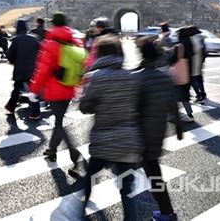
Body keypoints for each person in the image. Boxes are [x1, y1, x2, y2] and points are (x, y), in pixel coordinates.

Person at [79, 35, 142, 221]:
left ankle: (81, 213)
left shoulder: (96, 78)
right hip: (129, 141)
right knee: (126, 189)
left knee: (90, 178)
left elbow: (85, 107)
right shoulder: (132, 77)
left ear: (99, 54)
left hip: (104, 140)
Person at [29, 12, 82, 175]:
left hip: (55, 89)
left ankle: (76, 155)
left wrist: (33, 89)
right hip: (69, 87)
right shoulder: (73, 41)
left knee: (59, 124)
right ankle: (52, 150)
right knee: (59, 119)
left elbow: (43, 69)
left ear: (53, 24)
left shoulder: (50, 43)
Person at [136, 38, 182, 221]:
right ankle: (166, 211)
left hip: (139, 133)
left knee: (152, 173)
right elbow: (173, 105)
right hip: (157, 131)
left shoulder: (137, 77)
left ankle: (168, 213)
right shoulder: (164, 78)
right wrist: (178, 126)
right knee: (151, 168)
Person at [5, 20, 40, 120]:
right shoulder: (34, 39)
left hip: (20, 69)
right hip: (32, 69)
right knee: (33, 90)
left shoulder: (16, 40)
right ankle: (35, 112)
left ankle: (11, 107)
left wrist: (12, 61)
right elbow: (39, 52)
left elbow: (10, 55)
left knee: (16, 89)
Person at [172, 26, 195, 122]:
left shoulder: (180, 46)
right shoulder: (190, 44)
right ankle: (189, 114)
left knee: (173, 94)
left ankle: (174, 114)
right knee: (185, 96)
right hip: (188, 73)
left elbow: (173, 59)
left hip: (179, 74)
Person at [189, 26, 207, 104]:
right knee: (198, 78)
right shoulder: (200, 38)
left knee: (194, 79)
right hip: (199, 61)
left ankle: (201, 94)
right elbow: (204, 51)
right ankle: (202, 93)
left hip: (195, 61)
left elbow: (196, 50)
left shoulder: (195, 38)